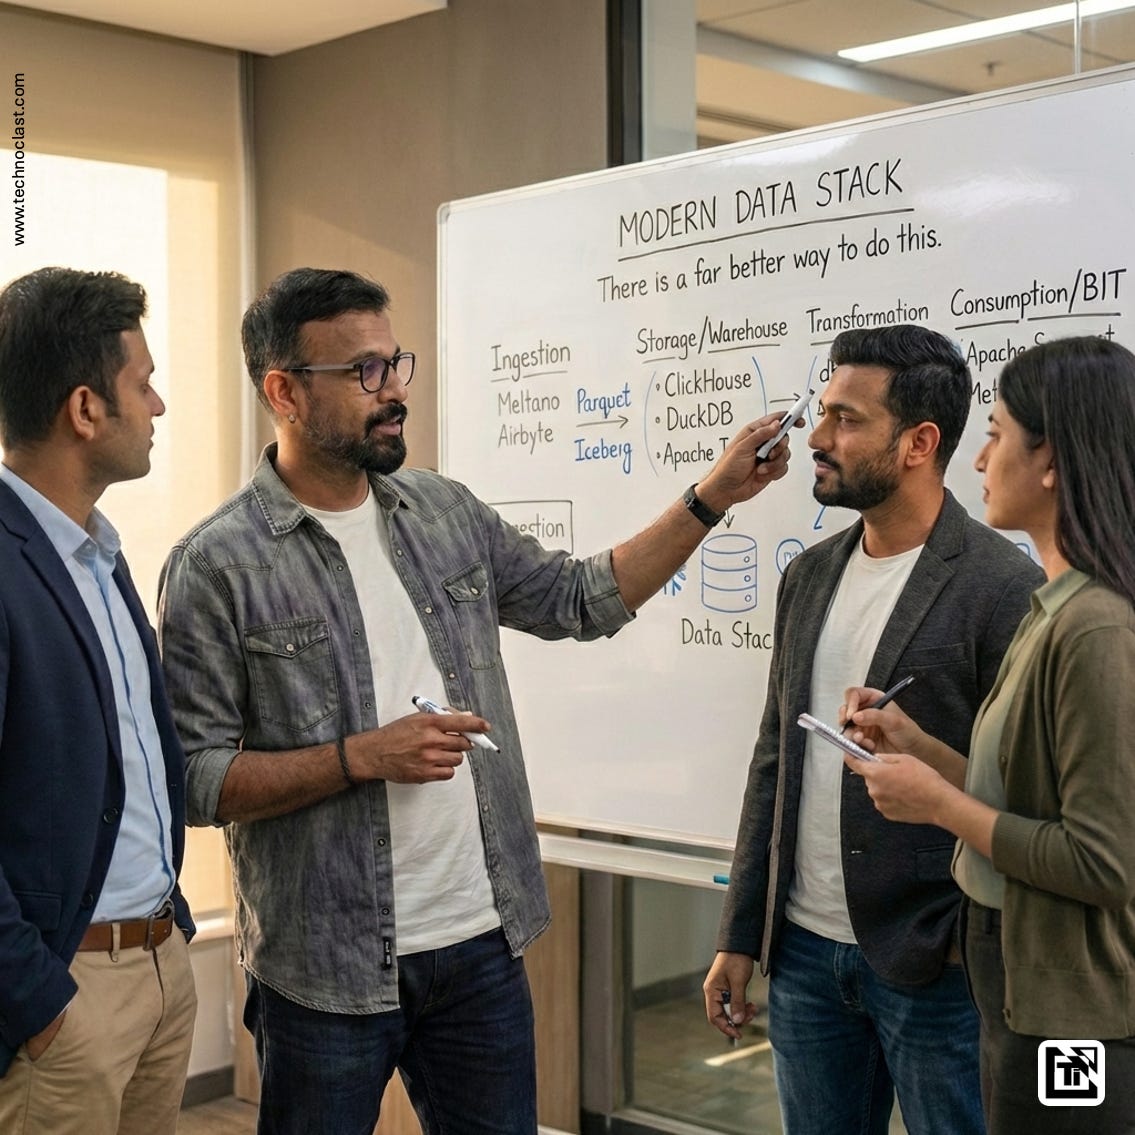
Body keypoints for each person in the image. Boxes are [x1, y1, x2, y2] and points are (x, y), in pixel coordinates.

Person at [156, 266, 793, 1135]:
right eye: (364, 372)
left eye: (395, 363)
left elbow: (579, 599)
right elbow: (197, 781)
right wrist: (359, 757)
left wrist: (711, 495)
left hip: (478, 944)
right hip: (325, 968)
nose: (394, 391)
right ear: (284, 392)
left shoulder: (442, 511)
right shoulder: (216, 565)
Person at [703, 324, 1044, 1135]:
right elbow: (774, 757)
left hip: (937, 962)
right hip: (802, 955)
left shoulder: (1004, 586)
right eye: (822, 412)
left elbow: (1024, 790)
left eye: (845, 419)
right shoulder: (808, 575)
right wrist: (741, 931)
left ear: (918, 442)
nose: (815, 437)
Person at [843, 336, 1135, 1134]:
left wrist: (936, 804)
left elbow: (1100, 861)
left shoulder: (1094, 627)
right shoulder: (1053, 607)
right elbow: (1025, 798)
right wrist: (919, 749)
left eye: (997, 434)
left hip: (1070, 1015)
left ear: (1051, 461)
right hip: (1017, 982)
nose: (978, 459)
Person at [0, 267, 197, 1135]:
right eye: (142, 383)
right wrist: (39, 1002)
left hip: (157, 967)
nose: (158, 405)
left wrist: (172, 930)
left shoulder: (100, 553)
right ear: (85, 409)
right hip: (67, 1000)